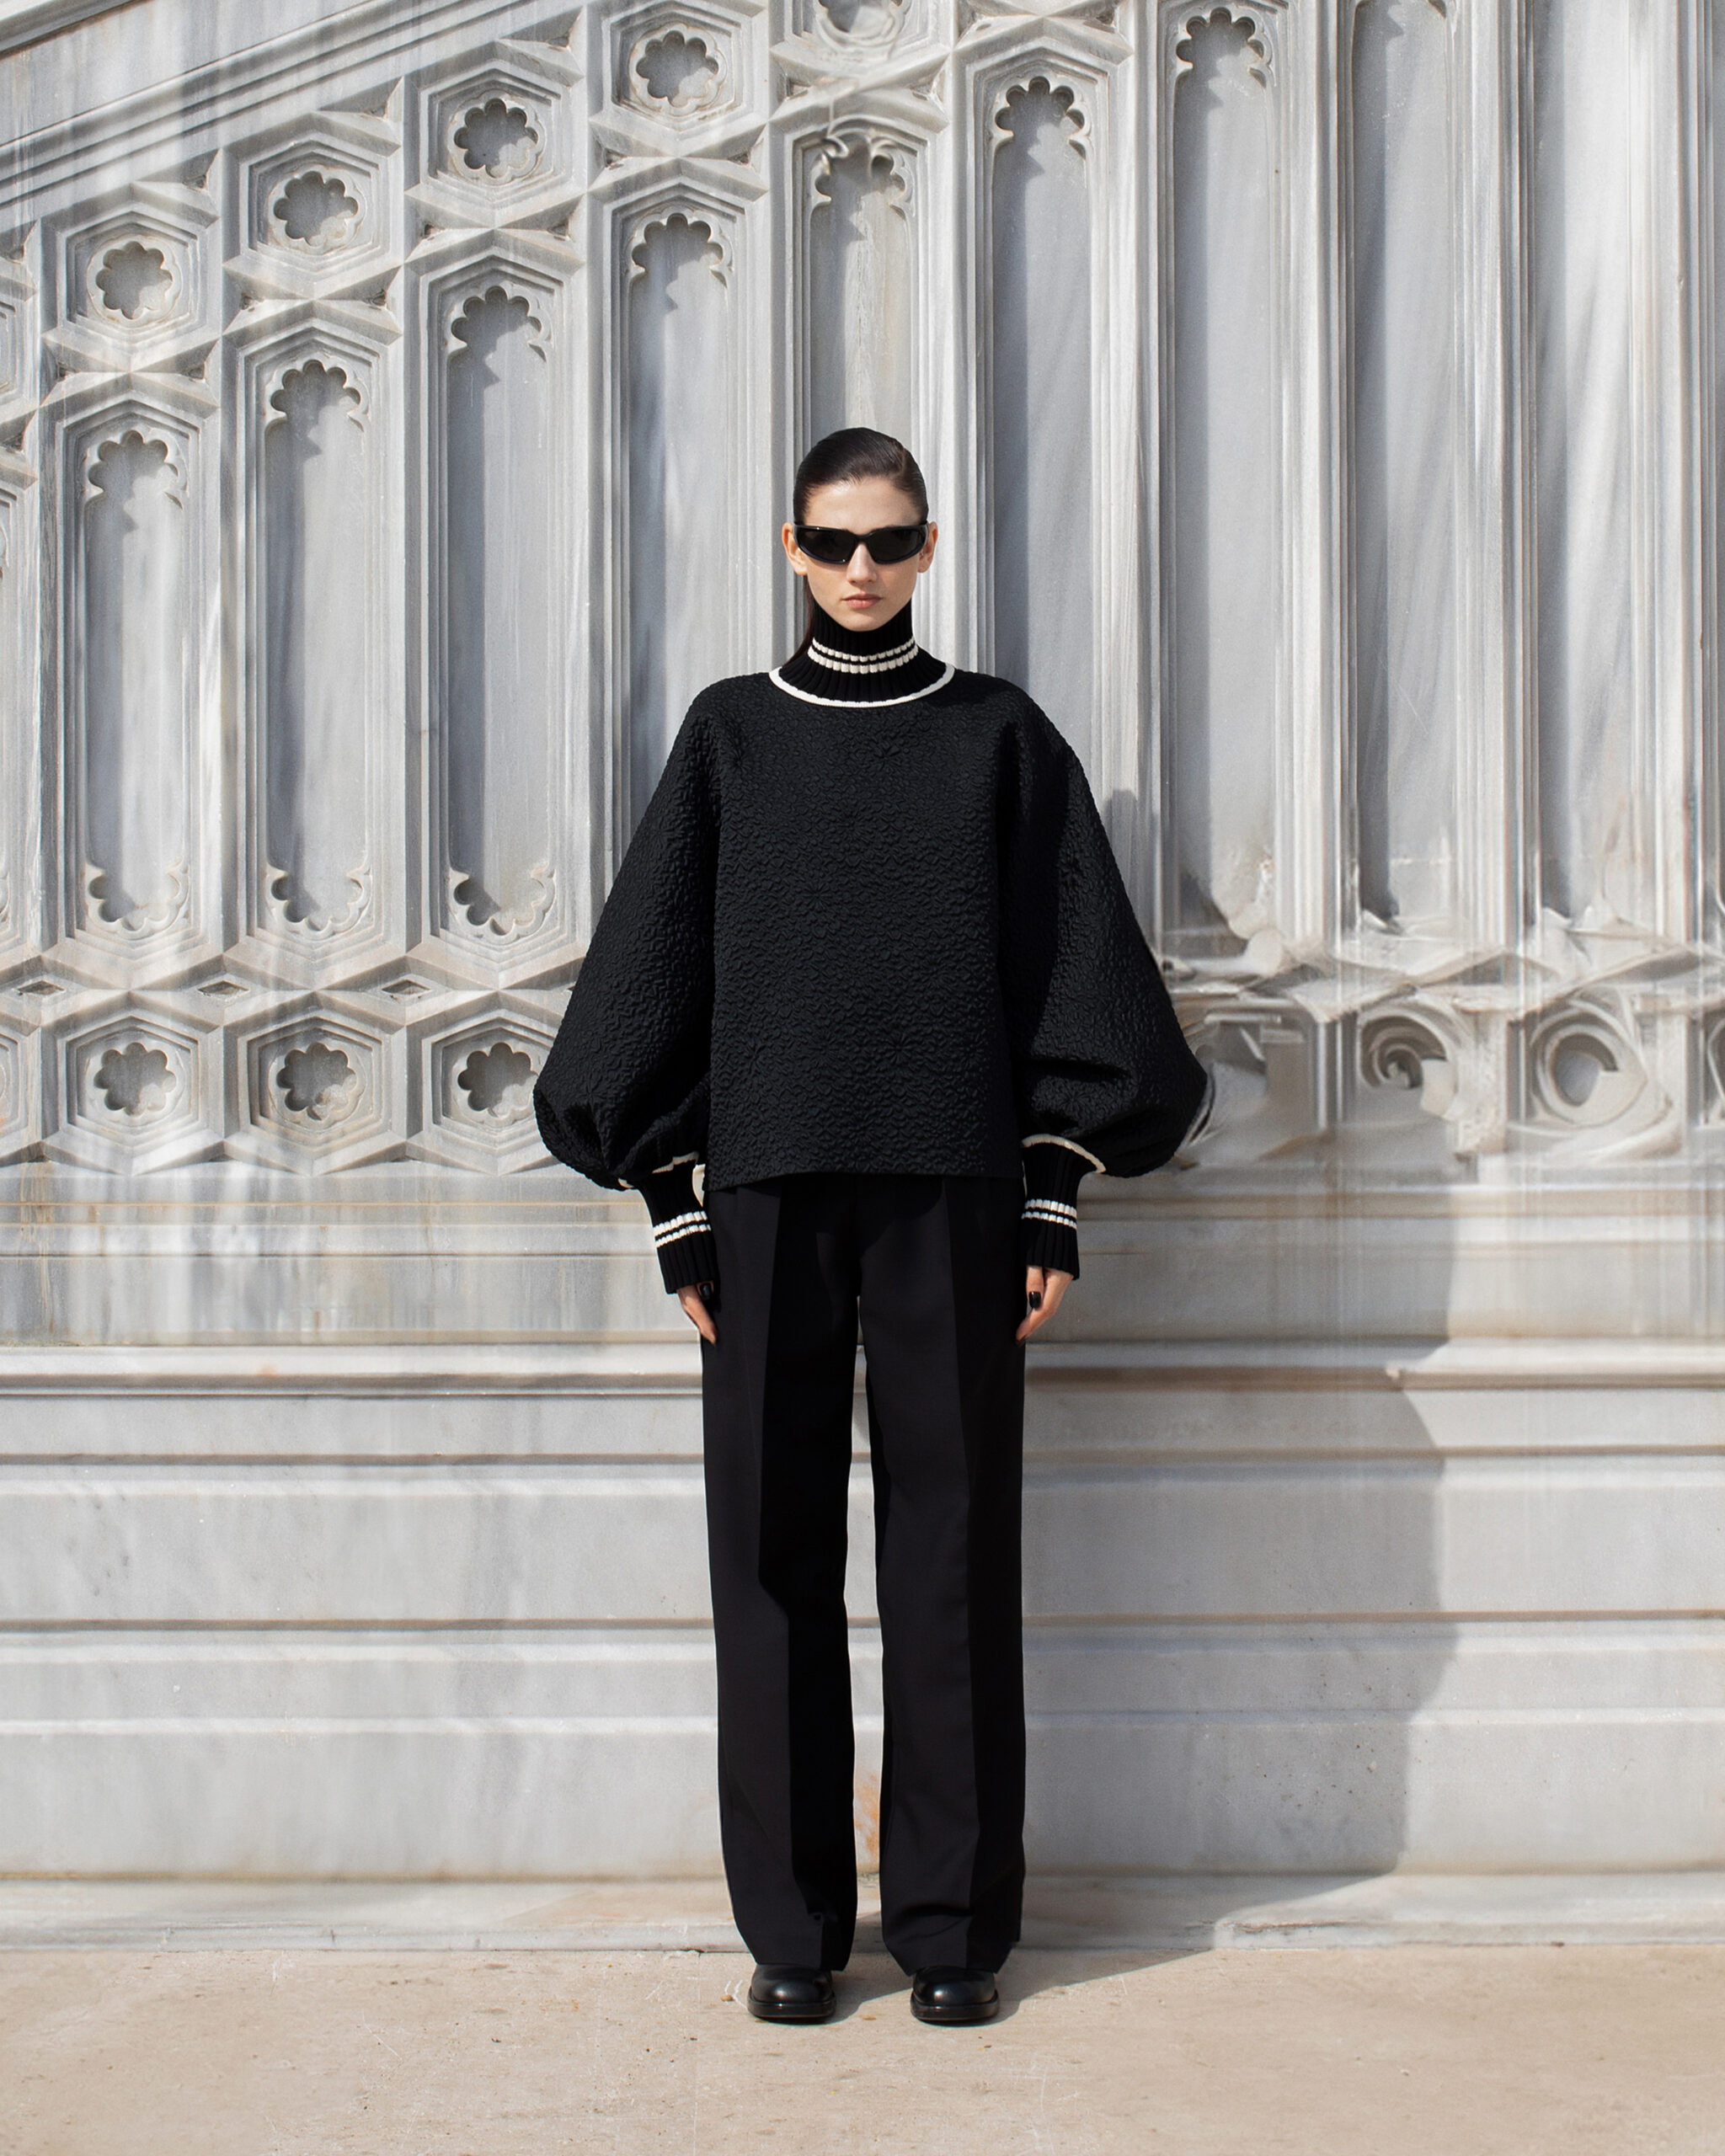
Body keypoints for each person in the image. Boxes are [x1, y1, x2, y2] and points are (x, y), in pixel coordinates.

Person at [534, 428, 1208, 2027]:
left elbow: (1078, 975)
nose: (861, 570)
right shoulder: (732, 737)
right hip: (764, 1194)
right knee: (769, 1557)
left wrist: (1051, 1189)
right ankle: (791, 1931)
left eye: (890, 542)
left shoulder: (998, 737)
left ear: (927, 549)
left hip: (953, 1193)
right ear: (792, 547)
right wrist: (673, 1206)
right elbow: (650, 977)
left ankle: (955, 1933)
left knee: (952, 1556)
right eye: (835, 542)